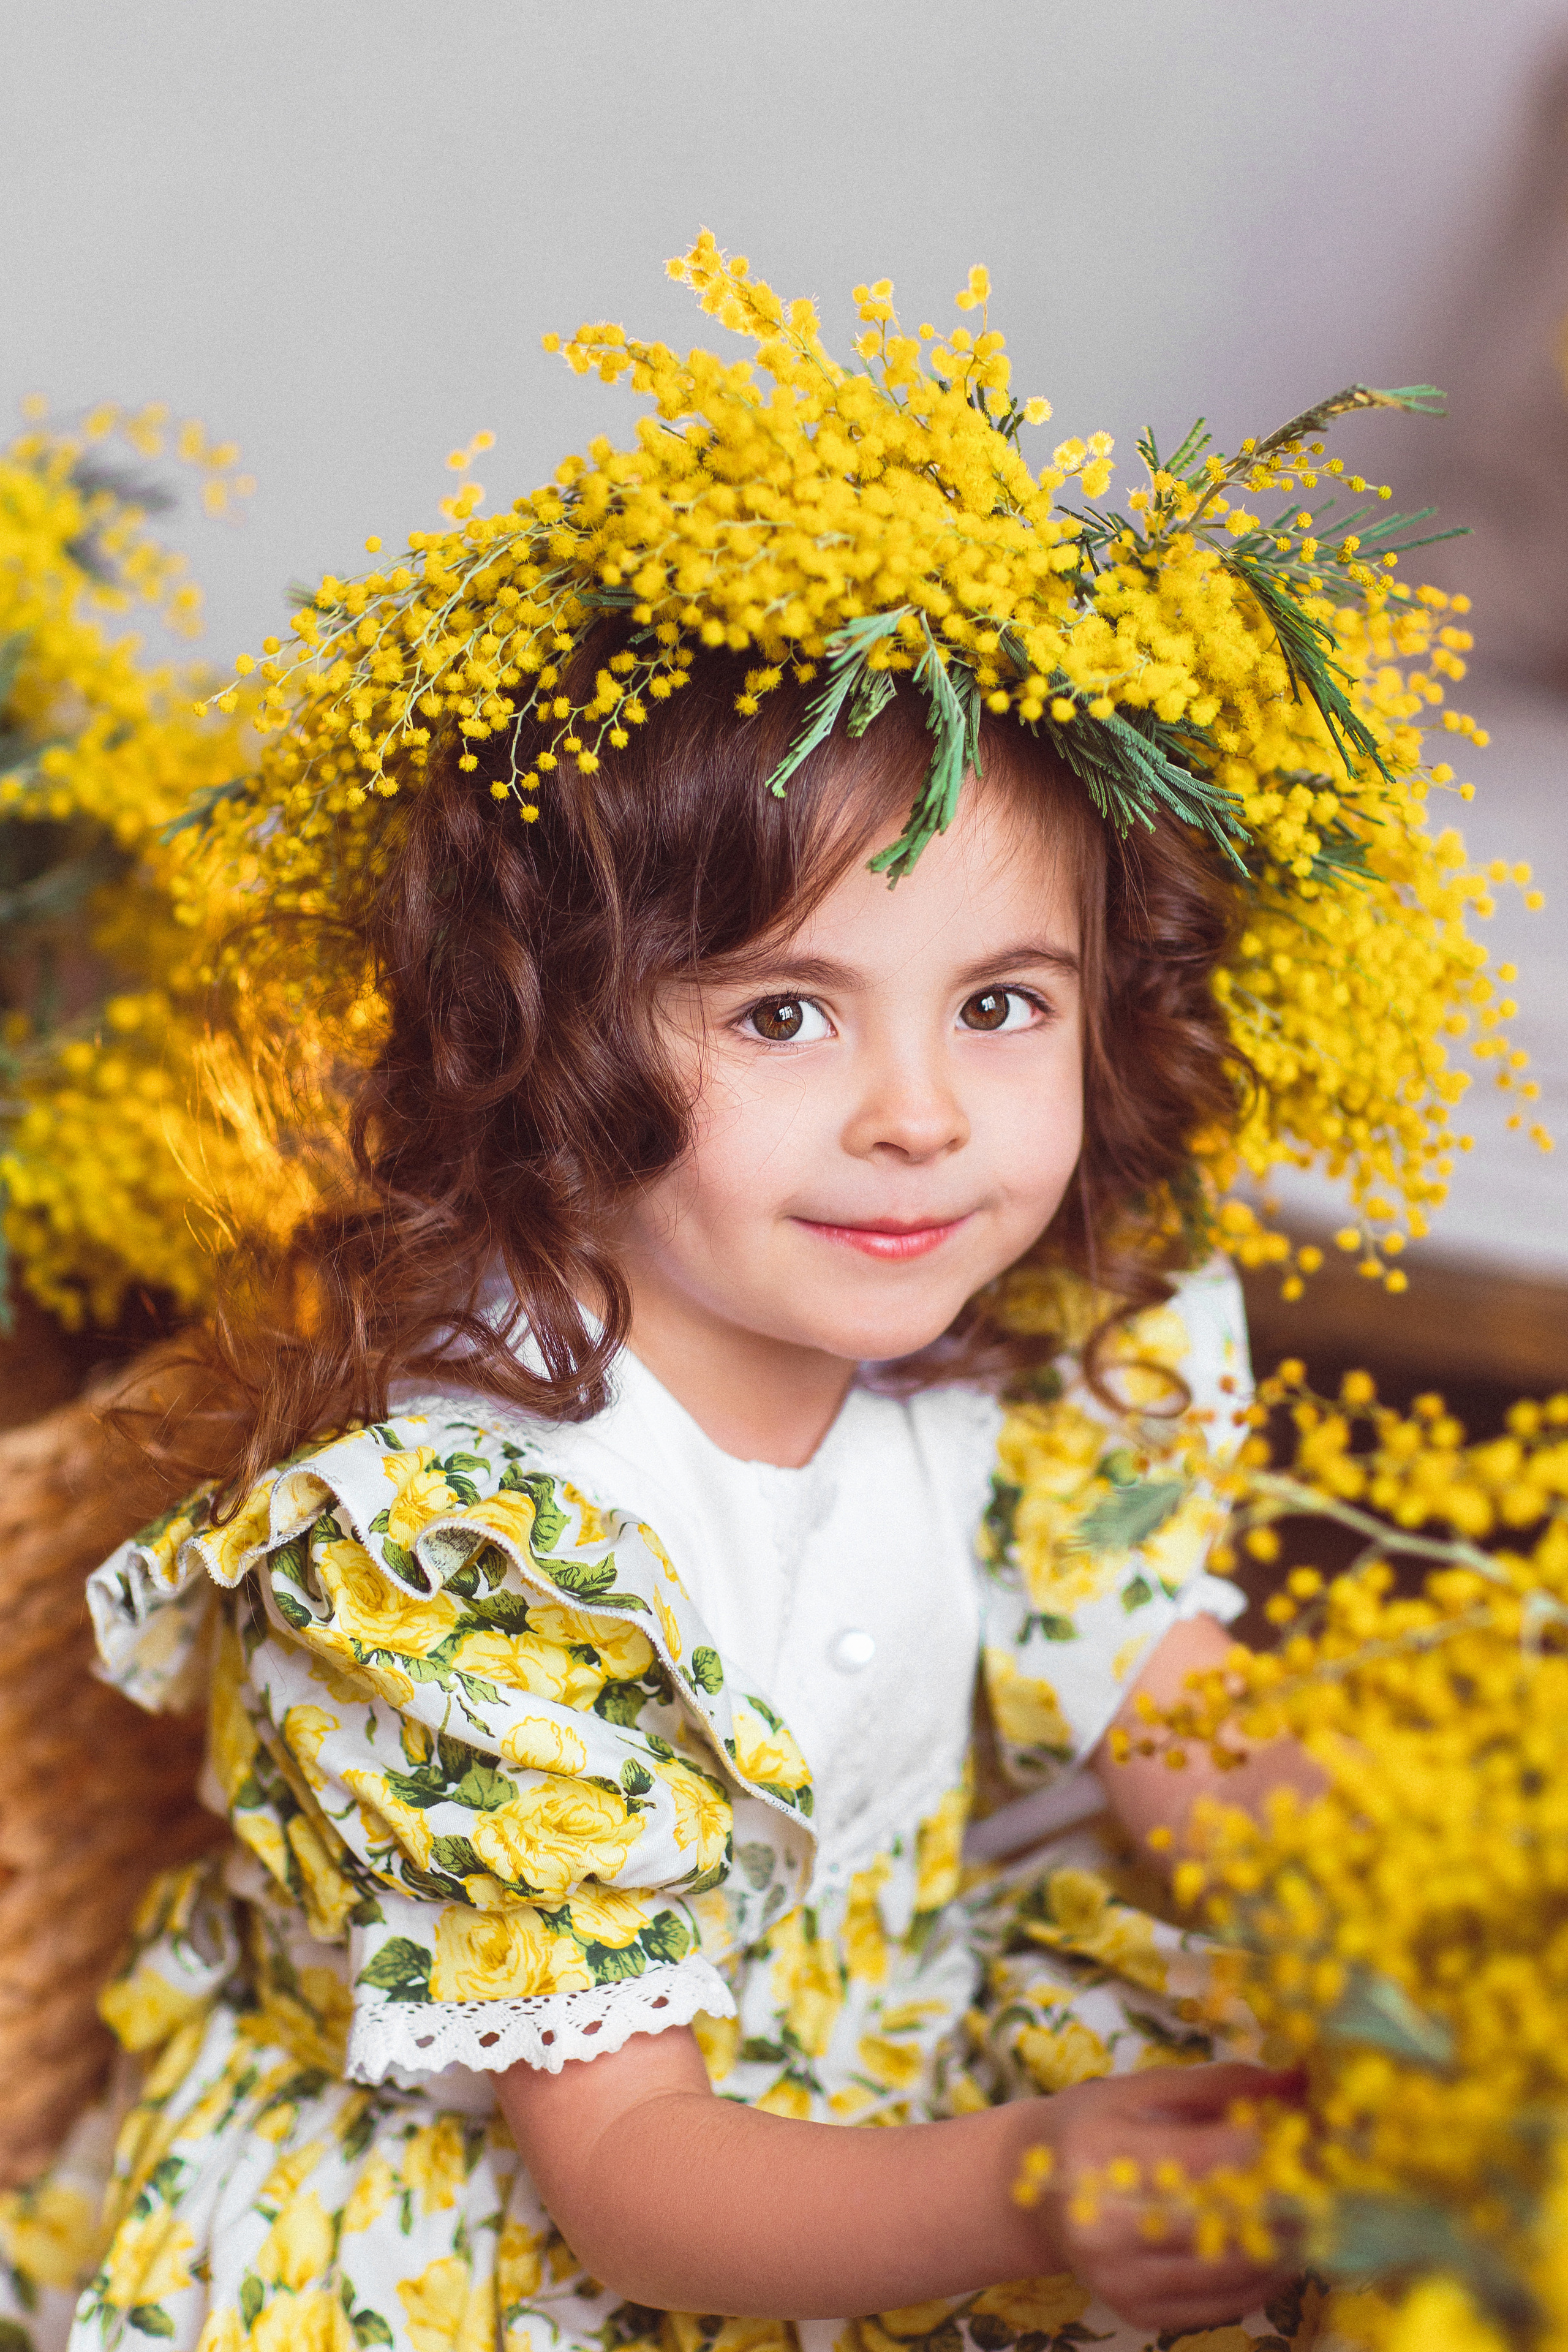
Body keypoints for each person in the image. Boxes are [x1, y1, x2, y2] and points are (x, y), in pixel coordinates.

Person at [0, 238, 1491, 2352]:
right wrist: (1024, 2186)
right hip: (584, 2201)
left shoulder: (1037, 1347)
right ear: (546, 1038)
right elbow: (631, 2181)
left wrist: (1426, 1934)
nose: (919, 1116)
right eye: (786, 1014)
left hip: (880, 2040)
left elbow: (1174, 1708)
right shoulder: (469, 1548)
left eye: (999, 1003)